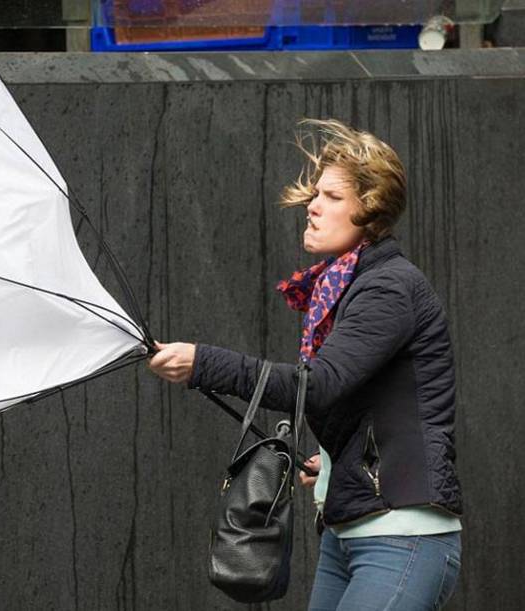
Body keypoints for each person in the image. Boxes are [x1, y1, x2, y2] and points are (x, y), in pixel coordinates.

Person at [148, 119, 463, 610]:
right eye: (316, 195)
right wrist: (338, 462)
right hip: (349, 530)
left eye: (332, 197)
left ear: (372, 205)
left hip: (401, 536)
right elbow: (368, 398)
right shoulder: (342, 287)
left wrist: (204, 364)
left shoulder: (387, 287)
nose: (312, 207)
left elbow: (320, 385)